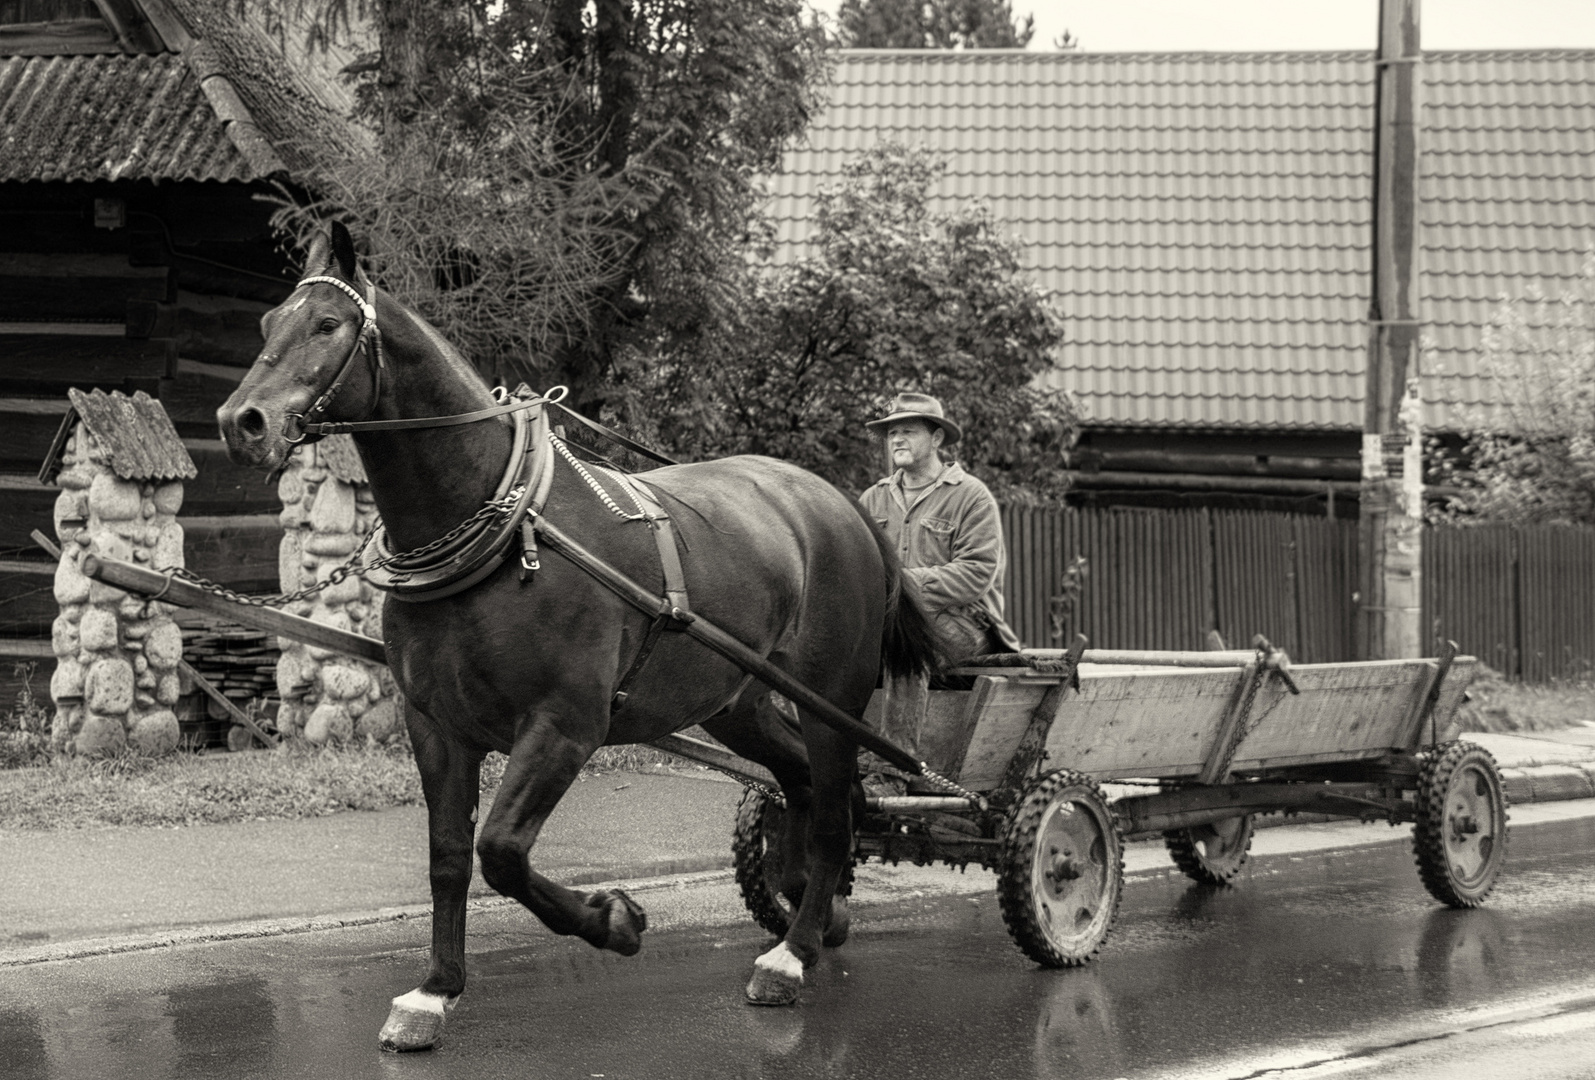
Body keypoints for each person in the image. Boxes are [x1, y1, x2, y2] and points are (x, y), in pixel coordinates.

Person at [858, 392, 1021, 794]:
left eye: (908, 431)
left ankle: (894, 774)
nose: (897, 439)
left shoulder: (971, 496)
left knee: (904, 646)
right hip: (887, 618)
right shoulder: (872, 498)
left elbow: (976, 573)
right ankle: (832, 758)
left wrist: (902, 589)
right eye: (892, 432)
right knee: (824, 651)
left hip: (965, 624)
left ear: (936, 439)